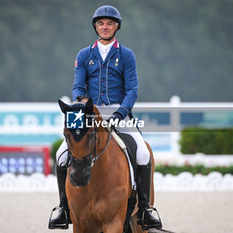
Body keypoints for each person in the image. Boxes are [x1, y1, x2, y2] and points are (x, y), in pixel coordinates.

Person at [49, 5, 162, 230]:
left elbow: (132, 90)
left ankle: (146, 210)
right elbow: (78, 88)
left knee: (142, 153)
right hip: (88, 111)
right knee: (62, 155)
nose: (105, 27)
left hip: (118, 111)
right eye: (101, 23)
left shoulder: (126, 55)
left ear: (116, 26)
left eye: (109, 23)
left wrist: (121, 113)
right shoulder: (84, 55)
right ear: (95, 26)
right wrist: (81, 109)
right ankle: (63, 208)